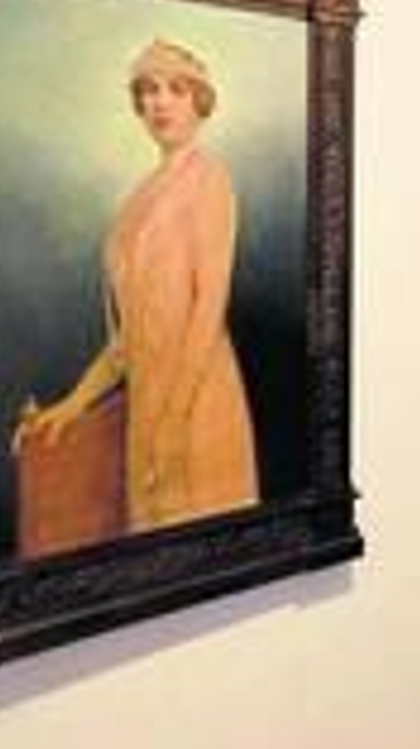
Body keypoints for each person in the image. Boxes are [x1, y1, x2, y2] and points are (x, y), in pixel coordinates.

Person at [18, 39, 260, 534]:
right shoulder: (135, 203)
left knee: (204, 545)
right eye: (148, 90)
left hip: (197, 405)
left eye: (176, 89)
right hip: (147, 409)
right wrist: (73, 404)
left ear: (199, 101)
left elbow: (208, 310)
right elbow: (125, 343)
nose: (160, 102)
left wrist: (174, 422)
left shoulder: (209, 179)